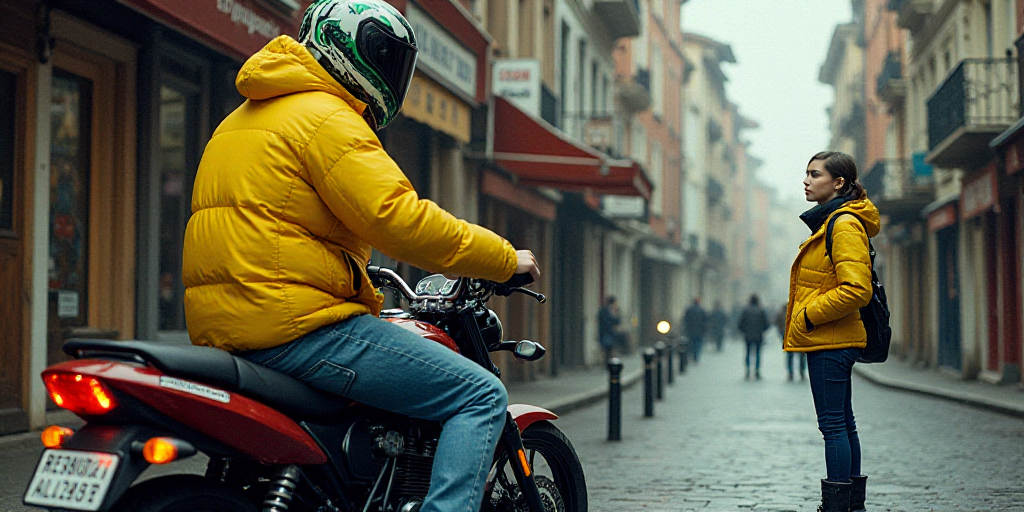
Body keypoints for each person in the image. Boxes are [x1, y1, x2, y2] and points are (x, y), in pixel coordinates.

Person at [181, 2, 541, 510]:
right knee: (480, 396)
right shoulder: (325, 116)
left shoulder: (241, 119)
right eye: (386, 58)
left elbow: (276, 224)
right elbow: (399, 220)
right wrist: (504, 258)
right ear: (348, 49)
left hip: (228, 328)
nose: (393, 75)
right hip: (296, 327)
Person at [784, 151, 878, 512]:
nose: (806, 181)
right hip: (832, 338)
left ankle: (838, 506)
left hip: (830, 340)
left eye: (814, 174)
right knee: (844, 424)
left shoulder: (843, 224)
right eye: (805, 173)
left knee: (834, 426)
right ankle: (851, 505)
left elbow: (857, 288)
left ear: (838, 183)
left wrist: (808, 316)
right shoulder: (834, 222)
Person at [737, 294, 769, 380]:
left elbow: (740, 324)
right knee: (758, 353)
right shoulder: (761, 311)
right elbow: (766, 324)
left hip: (748, 336)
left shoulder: (745, 311)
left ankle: (747, 371)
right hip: (758, 336)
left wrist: (744, 331)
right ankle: (757, 371)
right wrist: (762, 331)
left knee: (748, 353)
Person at [779, 301, 806, 381]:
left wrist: (781, 332)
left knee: (790, 355)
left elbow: (778, 322)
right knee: (801, 355)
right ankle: (801, 372)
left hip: (788, 336)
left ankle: (790, 372)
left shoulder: (783, 311)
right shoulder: (801, 309)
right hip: (799, 336)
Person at [682, 297, 707, 363]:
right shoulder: (702, 310)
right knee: (698, 344)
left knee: (691, 343)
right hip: (699, 331)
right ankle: (696, 357)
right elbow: (705, 321)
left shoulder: (689, 310)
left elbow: (685, 320)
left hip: (690, 330)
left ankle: (691, 355)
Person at [598, 296, 621, 363]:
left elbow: (617, 322)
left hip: (611, 334)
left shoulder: (614, 311)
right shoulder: (604, 310)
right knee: (606, 349)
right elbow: (604, 323)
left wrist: (616, 314)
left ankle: (609, 363)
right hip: (605, 333)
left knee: (610, 349)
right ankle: (606, 363)